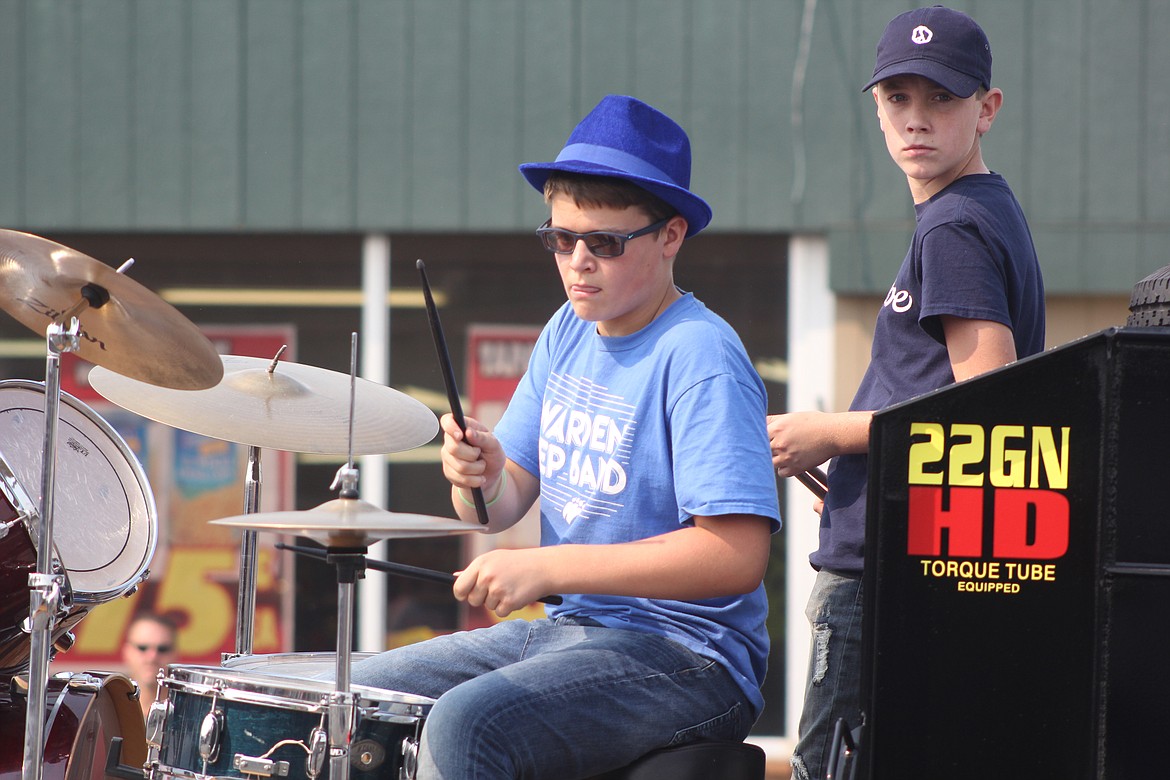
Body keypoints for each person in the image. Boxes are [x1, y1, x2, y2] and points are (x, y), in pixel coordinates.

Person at [349, 94, 781, 779]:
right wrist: (479, 475)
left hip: (687, 657)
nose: (577, 261)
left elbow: (733, 554)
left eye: (604, 243)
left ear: (670, 236)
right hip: (568, 634)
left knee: (466, 725)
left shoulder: (700, 353)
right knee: (363, 693)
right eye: (559, 238)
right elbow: (499, 506)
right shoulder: (567, 329)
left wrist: (549, 568)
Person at [768, 7, 1045, 779]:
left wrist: (829, 432)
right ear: (877, 107)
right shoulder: (983, 211)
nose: (915, 120)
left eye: (941, 99)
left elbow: (986, 399)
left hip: (882, 574)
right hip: (906, 541)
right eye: (898, 98)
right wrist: (874, 475)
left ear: (987, 109)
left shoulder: (953, 224)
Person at [120, 612, 179, 720]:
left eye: (162, 649)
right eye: (142, 648)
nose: (152, 657)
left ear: (175, 654)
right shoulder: (108, 710)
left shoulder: (187, 717)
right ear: (126, 651)